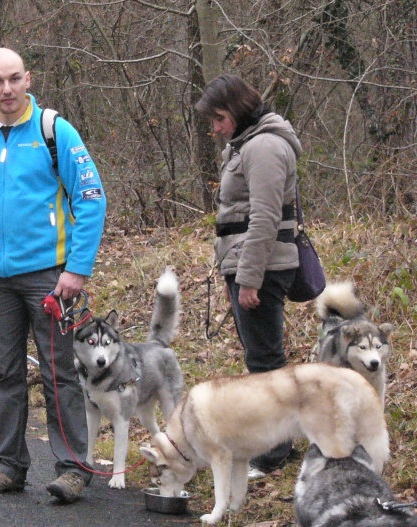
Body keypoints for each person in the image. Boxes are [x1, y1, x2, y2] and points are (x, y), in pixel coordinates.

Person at [0, 48, 107, 503]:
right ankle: (7, 465)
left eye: (15, 79)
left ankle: (73, 469)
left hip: (49, 277)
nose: (7, 89)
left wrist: (77, 269)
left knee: (59, 374)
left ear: (28, 79)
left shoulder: (54, 131)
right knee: (5, 374)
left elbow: (91, 198)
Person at [196, 74, 302, 478]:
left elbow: (264, 219)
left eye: (219, 119)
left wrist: (250, 278)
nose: (216, 128)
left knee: (265, 360)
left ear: (237, 111)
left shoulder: (264, 146)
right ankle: (279, 442)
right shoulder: (246, 144)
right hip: (246, 264)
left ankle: (273, 451)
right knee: (262, 356)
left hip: (262, 266)